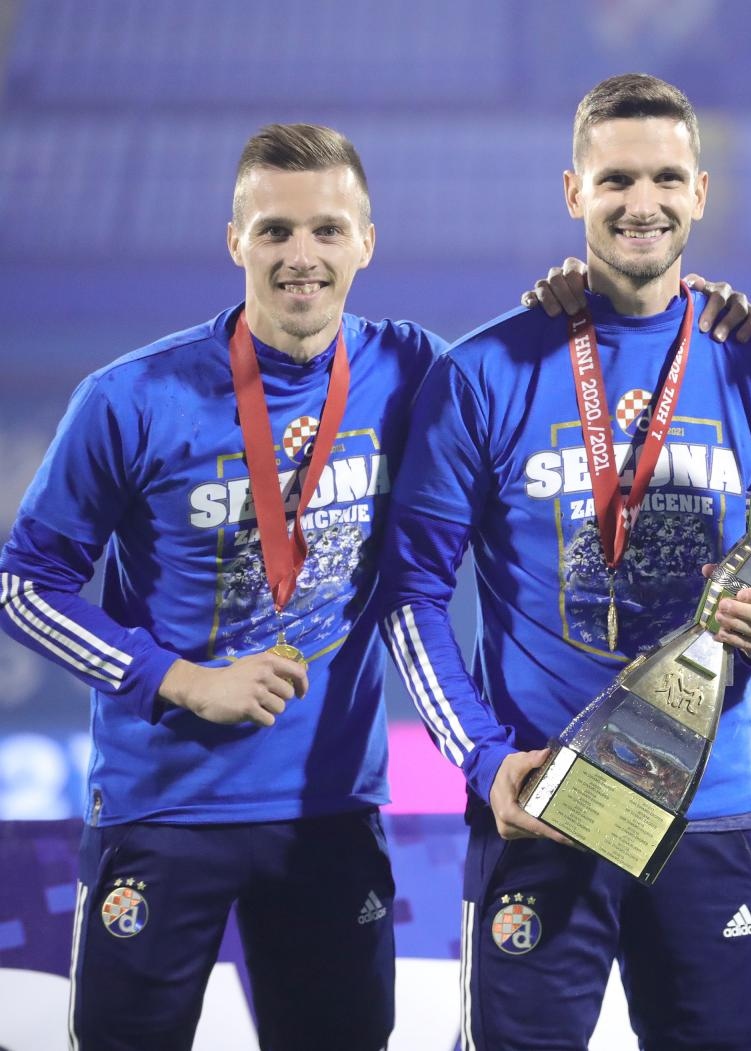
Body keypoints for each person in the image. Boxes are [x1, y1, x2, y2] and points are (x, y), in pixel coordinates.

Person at [374, 73, 751, 1050]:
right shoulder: (483, 372)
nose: (641, 202)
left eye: (666, 178)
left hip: (705, 807)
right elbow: (410, 594)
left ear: (700, 192)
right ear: (573, 191)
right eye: (616, 179)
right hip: (547, 799)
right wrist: (484, 759)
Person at [0, 124, 443, 1050]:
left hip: (329, 811)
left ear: (367, 242)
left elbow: (544, 377)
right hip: (164, 811)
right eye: (274, 230)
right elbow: (25, 590)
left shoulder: (414, 373)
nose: (300, 255)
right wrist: (182, 680)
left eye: (327, 230)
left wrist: (576, 300)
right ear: (235, 240)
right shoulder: (130, 398)